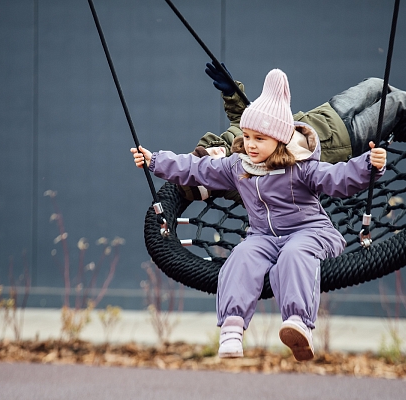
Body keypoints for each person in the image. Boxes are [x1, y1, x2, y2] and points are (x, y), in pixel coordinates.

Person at [131, 69, 387, 361]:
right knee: (242, 256)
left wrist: (370, 165)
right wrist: (155, 161)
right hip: (263, 237)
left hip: (310, 232)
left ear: (278, 140)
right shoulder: (237, 166)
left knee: (294, 254)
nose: (250, 144)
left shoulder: (301, 168)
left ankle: (298, 323)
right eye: (248, 136)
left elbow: (338, 179)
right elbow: (196, 169)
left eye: (259, 139)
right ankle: (231, 328)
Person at [177, 61, 406, 203]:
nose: (217, 153)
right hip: (346, 142)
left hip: (325, 115)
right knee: (398, 104)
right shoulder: (244, 177)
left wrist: (230, 90)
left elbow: (243, 115)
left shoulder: (237, 141)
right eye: (210, 161)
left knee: (377, 84)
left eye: (211, 150)